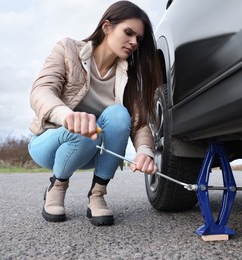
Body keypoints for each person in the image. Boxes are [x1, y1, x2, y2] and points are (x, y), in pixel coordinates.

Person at [28, 1, 162, 226]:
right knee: (83, 129)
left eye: (138, 39)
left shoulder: (130, 75)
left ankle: (97, 194)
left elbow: (139, 124)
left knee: (119, 114)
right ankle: (57, 186)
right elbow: (41, 90)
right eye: (128, 33)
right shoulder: (68, 49)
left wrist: (145, 152)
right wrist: (68, 116)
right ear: (107, 26)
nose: (133, 43)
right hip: (51, 142)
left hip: (93, 150)